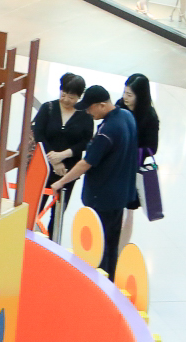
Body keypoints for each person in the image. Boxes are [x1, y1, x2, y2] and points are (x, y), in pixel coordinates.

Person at [51, 84, 140, 277]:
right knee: (111, 242)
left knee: (99, 245)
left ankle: (99, 281)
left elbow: (86, 163)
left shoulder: (107, 131)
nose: (87, 112)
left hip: (103, 197)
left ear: (101, 105)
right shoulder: (127, 116)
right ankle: (110, 278)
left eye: (89, 108)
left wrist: (61, 182)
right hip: (121, 194)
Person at [30, 72, 93, 238]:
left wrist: (64, 155)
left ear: (79, 96)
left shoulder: (85, 115)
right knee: (35, 208)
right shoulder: (48, 108)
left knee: (58, 211)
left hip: (68, 170)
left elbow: (86, 141)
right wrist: (54, 160)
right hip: (43, 166)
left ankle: (52, 242)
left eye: (71, 97)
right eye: (63, 94)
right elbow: (39, 135)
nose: (65, 100)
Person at [122, 73, 161, 229]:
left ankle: (121, 244)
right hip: (116, 164)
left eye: (129, 95)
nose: (125, 97)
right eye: (125, 92)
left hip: (133, 169)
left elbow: (152, 147)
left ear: (140, 95)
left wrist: (131, 148)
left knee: (128, 211)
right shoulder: (120, 106)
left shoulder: (149, 117)